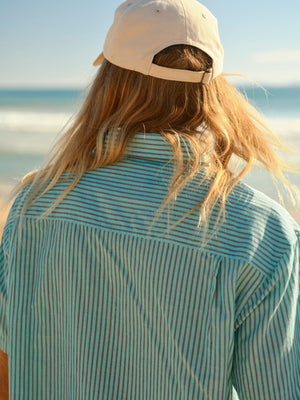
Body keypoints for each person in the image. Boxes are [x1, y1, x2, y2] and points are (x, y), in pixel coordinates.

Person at [0, 0, 299, 398]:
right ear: (213, 90)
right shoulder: (262, 234)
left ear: (110, 81)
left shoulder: (35, 206)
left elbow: (7, 364)